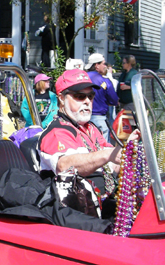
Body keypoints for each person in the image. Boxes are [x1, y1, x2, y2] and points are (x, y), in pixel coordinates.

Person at [38, 68, 123, 198]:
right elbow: (65, 166)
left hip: (106, 198)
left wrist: (128, 152)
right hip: (77, 208)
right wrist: (107, 155)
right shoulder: (57, 131)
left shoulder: (91, 128)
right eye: (80, 96)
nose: (87, 101)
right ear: (61, 98)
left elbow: (112, 163)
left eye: (90, 96)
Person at [85, 53, 119, 139]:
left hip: (82, 118)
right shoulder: (104, 81)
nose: (105, 66)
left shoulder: (82, 78)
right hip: (99, 119)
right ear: (97, 65)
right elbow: (114, 101)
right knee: (102, 148)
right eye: (103, 63)